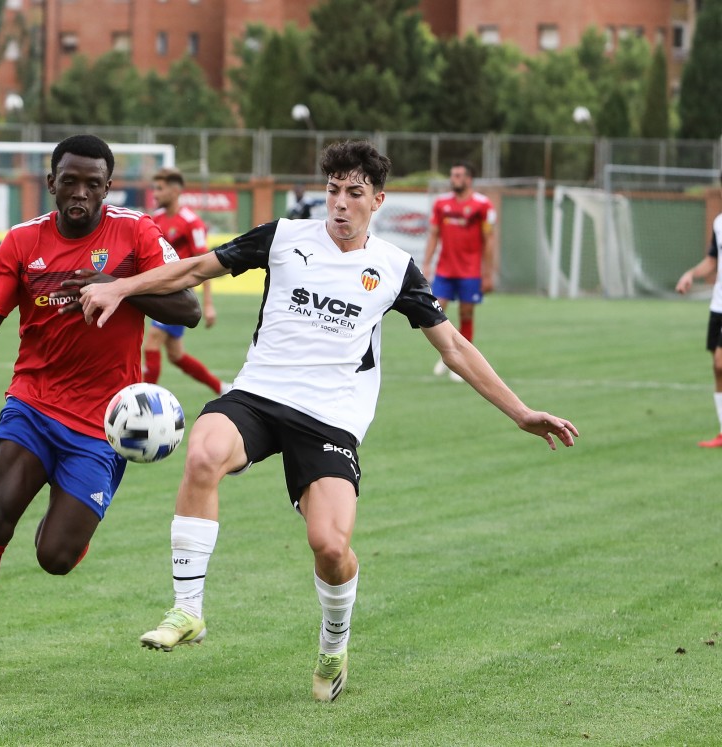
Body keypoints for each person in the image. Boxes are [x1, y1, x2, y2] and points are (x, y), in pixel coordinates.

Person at [75, 140, 578, 703]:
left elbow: (455, 348)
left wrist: (521, 412)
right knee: (203, 452)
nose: (339, 204)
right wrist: (121, 286)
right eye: (333, 191)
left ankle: (334, 641)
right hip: (260, 395)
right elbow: (193, 268)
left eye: (354, 193)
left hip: (330, 418)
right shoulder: (284, 237)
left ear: (377, 200)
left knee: (331, 546)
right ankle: (188, 610)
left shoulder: (393, 269)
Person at [0, 134, 201, 692]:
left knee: (55, 557)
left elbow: (187, 309)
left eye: (91, 184)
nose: (79, 193)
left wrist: (119, 287)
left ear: (107, 187)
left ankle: (74, 519)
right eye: (68, 181)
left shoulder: (137, 232)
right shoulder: (23, 242)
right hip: (33, 400)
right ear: (51, 182)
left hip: (102, 423)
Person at [145, 168, 228, 394]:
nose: (155, 194)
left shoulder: (191, 222)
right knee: (176, 355)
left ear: (175, 190)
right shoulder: (156, 219)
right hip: (161, 290)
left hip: (177, 294)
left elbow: (206, 264)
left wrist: (208, 304)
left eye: (160, 189)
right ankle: (220, 387)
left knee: (152, 343)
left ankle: (140, 405)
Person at [422, 160, 497, 381]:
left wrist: (488, 272)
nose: (453, 178)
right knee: (436, 311)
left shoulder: (483, 205)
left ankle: (466, 361)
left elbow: (489, 239)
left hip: (470, 271)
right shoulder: (441, 203)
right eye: (452, 175)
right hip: (445, 269)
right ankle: (448, 354)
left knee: (466, 313)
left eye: (458, 175)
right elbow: (434, 234)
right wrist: (426, 263)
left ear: (468, 179)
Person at [675, 209, 722, 447]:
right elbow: (713, 260)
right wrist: (691, 274)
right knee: (718, 368)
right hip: (718, 305)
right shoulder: (719, 222)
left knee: (720, 362)